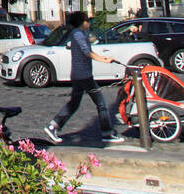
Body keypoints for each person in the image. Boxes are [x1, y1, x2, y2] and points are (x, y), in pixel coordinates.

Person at [45, 12, 125, 144]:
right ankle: (107, 133)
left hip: (78, 75)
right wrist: (105, 60)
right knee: (101, 104)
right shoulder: (78, 35)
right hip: (84, 76)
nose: (89, 22)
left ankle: (53, 126)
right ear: (83, 22)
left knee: (73, 104)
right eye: (87, 20)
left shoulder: (77, 34)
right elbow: (88, 53)